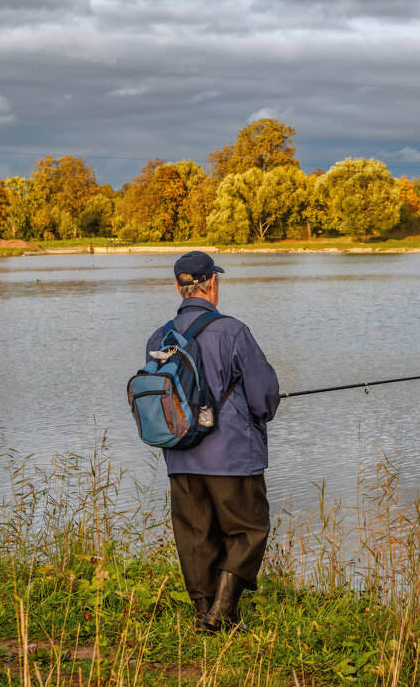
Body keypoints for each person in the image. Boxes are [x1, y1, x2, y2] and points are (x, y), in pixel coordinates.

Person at [145, 250, 280, 632]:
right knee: (249, 529)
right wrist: (263, 415)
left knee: (194, 534)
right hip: (232, 455)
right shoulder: (233, 331)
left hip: (180, 455)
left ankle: (206, 611)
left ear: (178, 288)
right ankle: (221, 611)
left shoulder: (160, 337)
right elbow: (264, 395)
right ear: (213, 284)